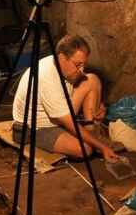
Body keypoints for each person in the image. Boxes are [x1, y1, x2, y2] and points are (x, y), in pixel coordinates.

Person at [12, 33, 119, 161]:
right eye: (78, 65)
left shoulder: (62, 64)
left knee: (92, 79)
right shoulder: (46, 79)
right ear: (63, 58)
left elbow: (85, 84)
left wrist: (100, 105)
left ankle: (91, 130)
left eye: (84, 64)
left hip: (58, 110)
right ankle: (93, 141)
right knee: (85, 149)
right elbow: (69, 122)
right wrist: (102, 148)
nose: (82, 69)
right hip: (38, 126)